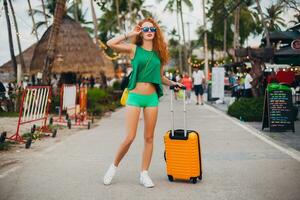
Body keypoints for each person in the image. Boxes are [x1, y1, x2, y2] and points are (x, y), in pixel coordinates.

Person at [103, 17, 183, 188]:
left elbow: (160, 77)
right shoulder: (134, 49)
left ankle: (144, 173)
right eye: (145, 29)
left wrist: (174, 83)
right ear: (141, 31)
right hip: (135, 97)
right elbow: (110, 43)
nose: (148, 32)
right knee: (130, 137)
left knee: (149, 137)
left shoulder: (159, 54)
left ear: (155, 32)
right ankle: (113, 167)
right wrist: (131, 33)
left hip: (151, 98)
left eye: (152, 29)